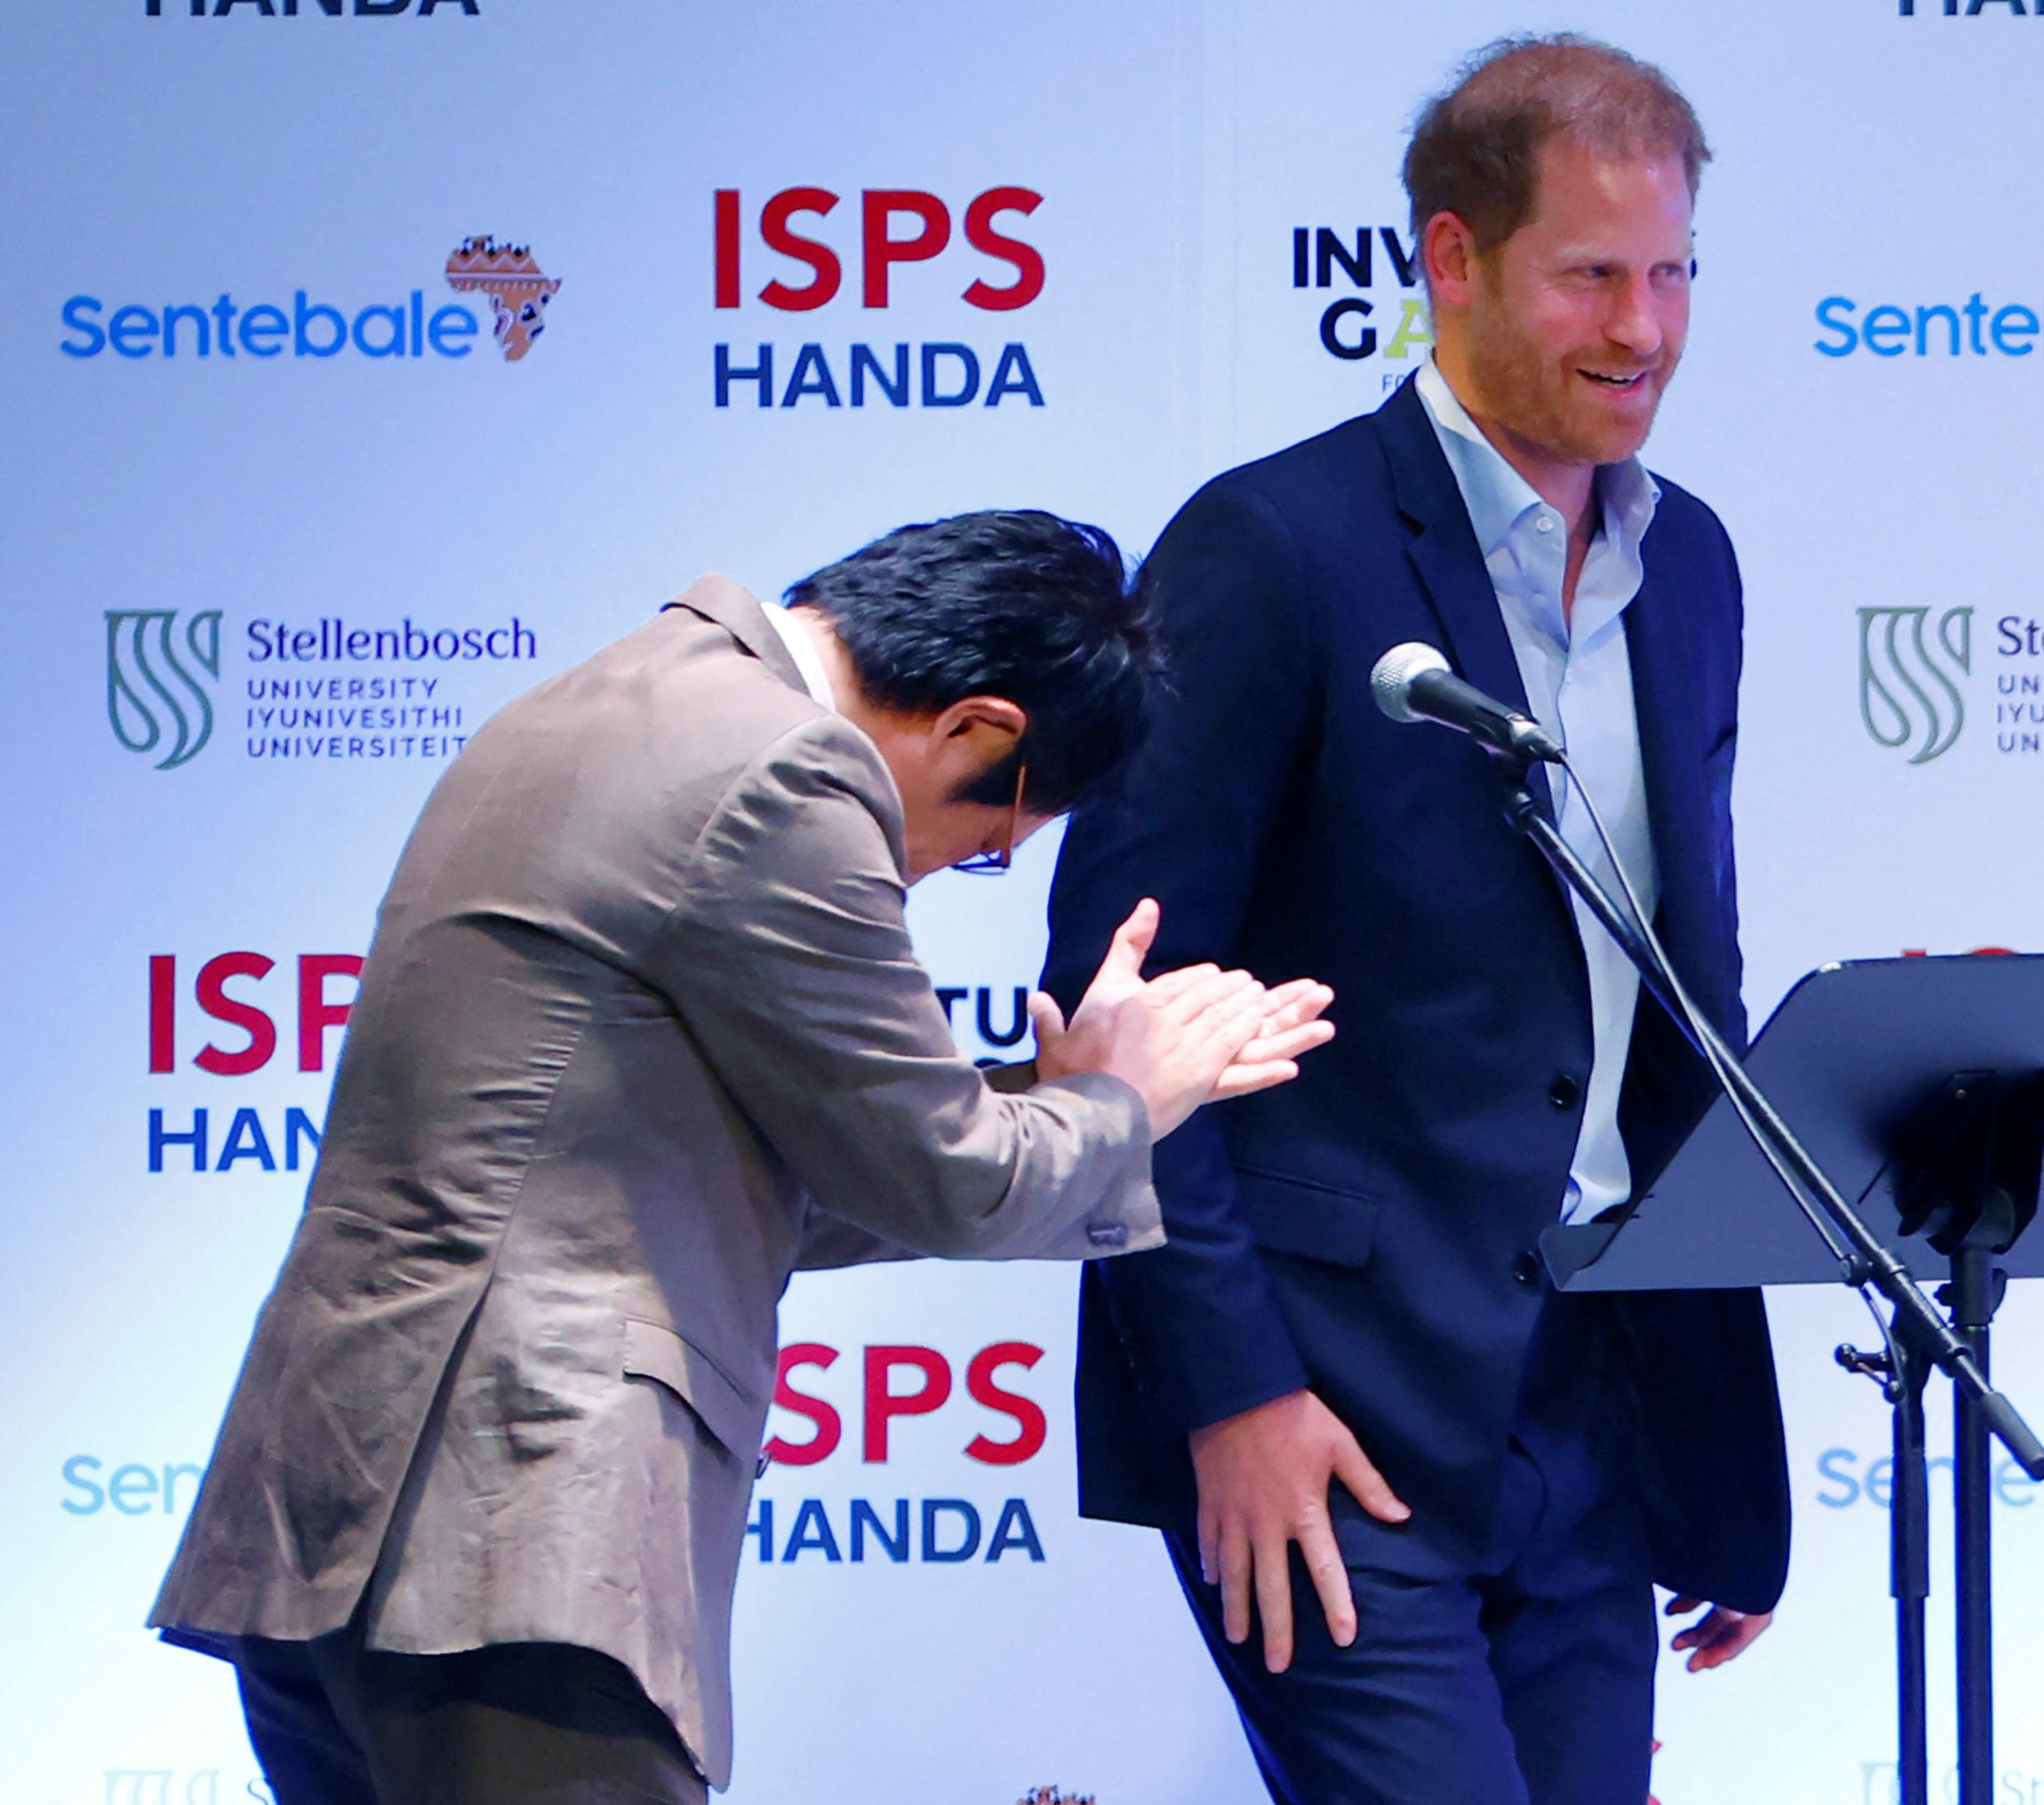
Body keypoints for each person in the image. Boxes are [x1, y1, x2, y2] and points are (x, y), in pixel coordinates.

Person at [150, 509, 1336, 1803]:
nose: (957, 868)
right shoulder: (785, 775)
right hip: (514, 1531)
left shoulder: (608, 696)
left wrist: (1051, 1098)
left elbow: (753, 1174)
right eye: (998, 839)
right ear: (977, 730)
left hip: (333, 1516)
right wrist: (1126, 1100)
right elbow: (955, 1181)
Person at [1043, 38, 1788, 1805]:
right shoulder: (1272, 544)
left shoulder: (1690, 564)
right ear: (1454, 260)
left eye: (1673, 272)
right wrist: (1230, 1394)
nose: (1644, 329)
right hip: (1326, 1412)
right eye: (1591, 276)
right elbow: (1119, 1003)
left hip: (1597, 1407)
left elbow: (1678, 1010)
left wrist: (1716, 1452)